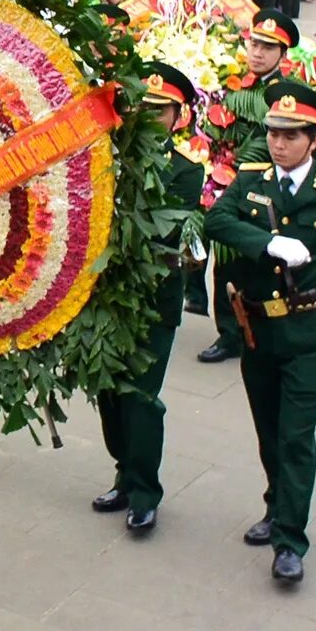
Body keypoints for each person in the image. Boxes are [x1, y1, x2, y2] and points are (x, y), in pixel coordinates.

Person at [205, 80, 316, 584]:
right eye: (274, 133)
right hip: (258, 330)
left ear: (314, 137)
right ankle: (275, 505)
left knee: (296, 437)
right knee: (268, 432)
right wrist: (267, 243)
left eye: (291, 135)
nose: (279, 143)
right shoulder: (251, 180)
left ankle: (290, 539)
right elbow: (216, 221)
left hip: (311, 332)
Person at [91, 63, 205, 535]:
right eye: (142, 106)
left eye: (161, 111)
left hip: (153, 299)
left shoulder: (186, 172)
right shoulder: (106, 158)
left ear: (179, 117)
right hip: (105, 297)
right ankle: (124, 471)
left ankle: (144, 491)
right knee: (109, 394)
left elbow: (160, 230)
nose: (148, 116)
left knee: (139, 397)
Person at [194, 8, 298, 363]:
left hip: (264, 186)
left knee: (258, 259)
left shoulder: (286, 93)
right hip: (225, 180)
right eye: (254, 44)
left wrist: (238, 163)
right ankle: (229, 333)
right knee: (225, 261)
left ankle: (260, 329)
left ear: (282, 55)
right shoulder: (233, 82)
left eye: (268, 48)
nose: (257, 53)